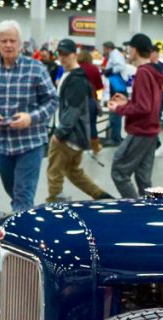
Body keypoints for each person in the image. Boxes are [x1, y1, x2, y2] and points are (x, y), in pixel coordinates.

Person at [0, 20, 58, 212]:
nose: (8, 45)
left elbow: (53, 100)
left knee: (22, 196)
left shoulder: (36, 68)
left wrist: (31, 118)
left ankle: (20, 238)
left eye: (12, 40)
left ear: (20, 43)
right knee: (14, 192)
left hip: (29, 144)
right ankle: (24, 219)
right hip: (2, 144)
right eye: (4, 41)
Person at [46, 39, 110, 203]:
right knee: (72, 171)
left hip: (69, 134)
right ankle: (101, 196)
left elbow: (73, 110)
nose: (62, 58)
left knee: (55, 172)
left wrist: (60, 133)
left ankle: (54, 201)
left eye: (66, 54)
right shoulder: (72, 75)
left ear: (75, 54)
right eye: (59, 54)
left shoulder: (76, 79)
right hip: (77, 134)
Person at [108, 33, 163, 198]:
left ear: (135, 50)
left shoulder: (142, 73)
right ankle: (148, 211)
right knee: (143, 179)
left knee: (119, 171)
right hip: (151, 132)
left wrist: (118, 109)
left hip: (141, 131)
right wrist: (127, 102)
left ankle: (134, 208)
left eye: (130, 48)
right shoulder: (154, 71)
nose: (128, 52)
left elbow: (144, 107)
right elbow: (148, 103)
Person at [77, 50, 103, 154]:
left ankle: (77, 147)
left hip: (77, 100)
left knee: (77, 124)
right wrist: (99, 100)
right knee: (92, 124)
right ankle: (95, 147)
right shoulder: (94, 69)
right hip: (91, 99)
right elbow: (99, 87)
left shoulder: (76, 68)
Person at [102, 40, 126, 145]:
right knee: (116, 113)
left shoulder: (115, 54)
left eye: (104, 49)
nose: (103, 51)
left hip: (116, 87)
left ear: (108, 48)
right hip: (116, 86)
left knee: (115, 112)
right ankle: (116, 136)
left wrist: (110, 71)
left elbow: (121, 66)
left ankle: (115, 138)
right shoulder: (114, 55)